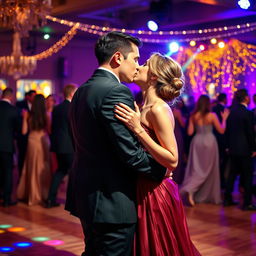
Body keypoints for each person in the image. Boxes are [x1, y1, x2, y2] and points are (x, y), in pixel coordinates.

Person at [65, 32, 166, 256]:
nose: (138, 66)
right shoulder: (116, 91)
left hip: (87, 195)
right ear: (118, 58)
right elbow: (129, 153)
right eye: (136, 59)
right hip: (112, 200)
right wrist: (162, 171)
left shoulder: (81, 90)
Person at [115, 53, 200, 256]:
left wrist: (138, 129)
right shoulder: (145, 106)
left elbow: (173, 159)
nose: (138, 67)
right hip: (145, 186)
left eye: (144, 64)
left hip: (156, 192)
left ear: (153, 76)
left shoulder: (159, 108)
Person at [180, 95, 229, 206]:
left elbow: (189, 133)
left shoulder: (194, 116)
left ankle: (193, 192)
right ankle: (191, 189)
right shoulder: (212, 116)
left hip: (197, 143)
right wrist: (225, 119)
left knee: (197, 169)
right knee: (208, 170)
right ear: (208, 104)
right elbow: (221, 130)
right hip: (210, 142)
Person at [45, 84, 77, 208]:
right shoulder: (72, 108)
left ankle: (50, 199)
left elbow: (53, 128)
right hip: (69, 146)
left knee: (60, 171)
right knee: (73, 173)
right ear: (72, 93)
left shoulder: (56, 108)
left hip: (58, 145)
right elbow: (73, 128)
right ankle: (72, 202)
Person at [224, 89, 256, 210]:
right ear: (246, 98)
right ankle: (247, 203)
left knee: (232, 174)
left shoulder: (231, 111)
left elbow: (227, 131)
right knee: (247, 176)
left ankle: (227, 199)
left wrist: (227, 146)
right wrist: (253, 148)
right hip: (245, 149)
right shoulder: (248, 113)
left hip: (232, 149)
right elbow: (250, 133)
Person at [17, 94, 52, 206]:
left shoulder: (28, 114)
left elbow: (23, 131)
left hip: (32, 142)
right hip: (43, 141)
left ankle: (31, 195)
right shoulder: (46, 115)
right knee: (42, 167)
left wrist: (24, 118)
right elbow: (50, 131)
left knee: (31, 168)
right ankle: (43, 194)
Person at [0, 88, 19, 206]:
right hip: (7, 145)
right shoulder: (14, 110)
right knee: (7, 172)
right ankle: (6, 199)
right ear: (11, 96)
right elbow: (17, 129)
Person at [16, 90, 36, 175]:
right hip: (22, 136)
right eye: (33, 96)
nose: (34, 98)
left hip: (33, 136)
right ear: (28, 97)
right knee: (22, 157)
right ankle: (21, 176)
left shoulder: (37, 106)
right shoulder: (19, 104)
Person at [212, 93, 228, 189]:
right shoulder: (224, 109)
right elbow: (224, 129)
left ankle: (217, 180)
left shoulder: (213, 109)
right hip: (221, 138)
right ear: (224, 99)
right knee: (223, 161)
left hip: (213, 137)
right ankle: (221, 181)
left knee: (216, 161)